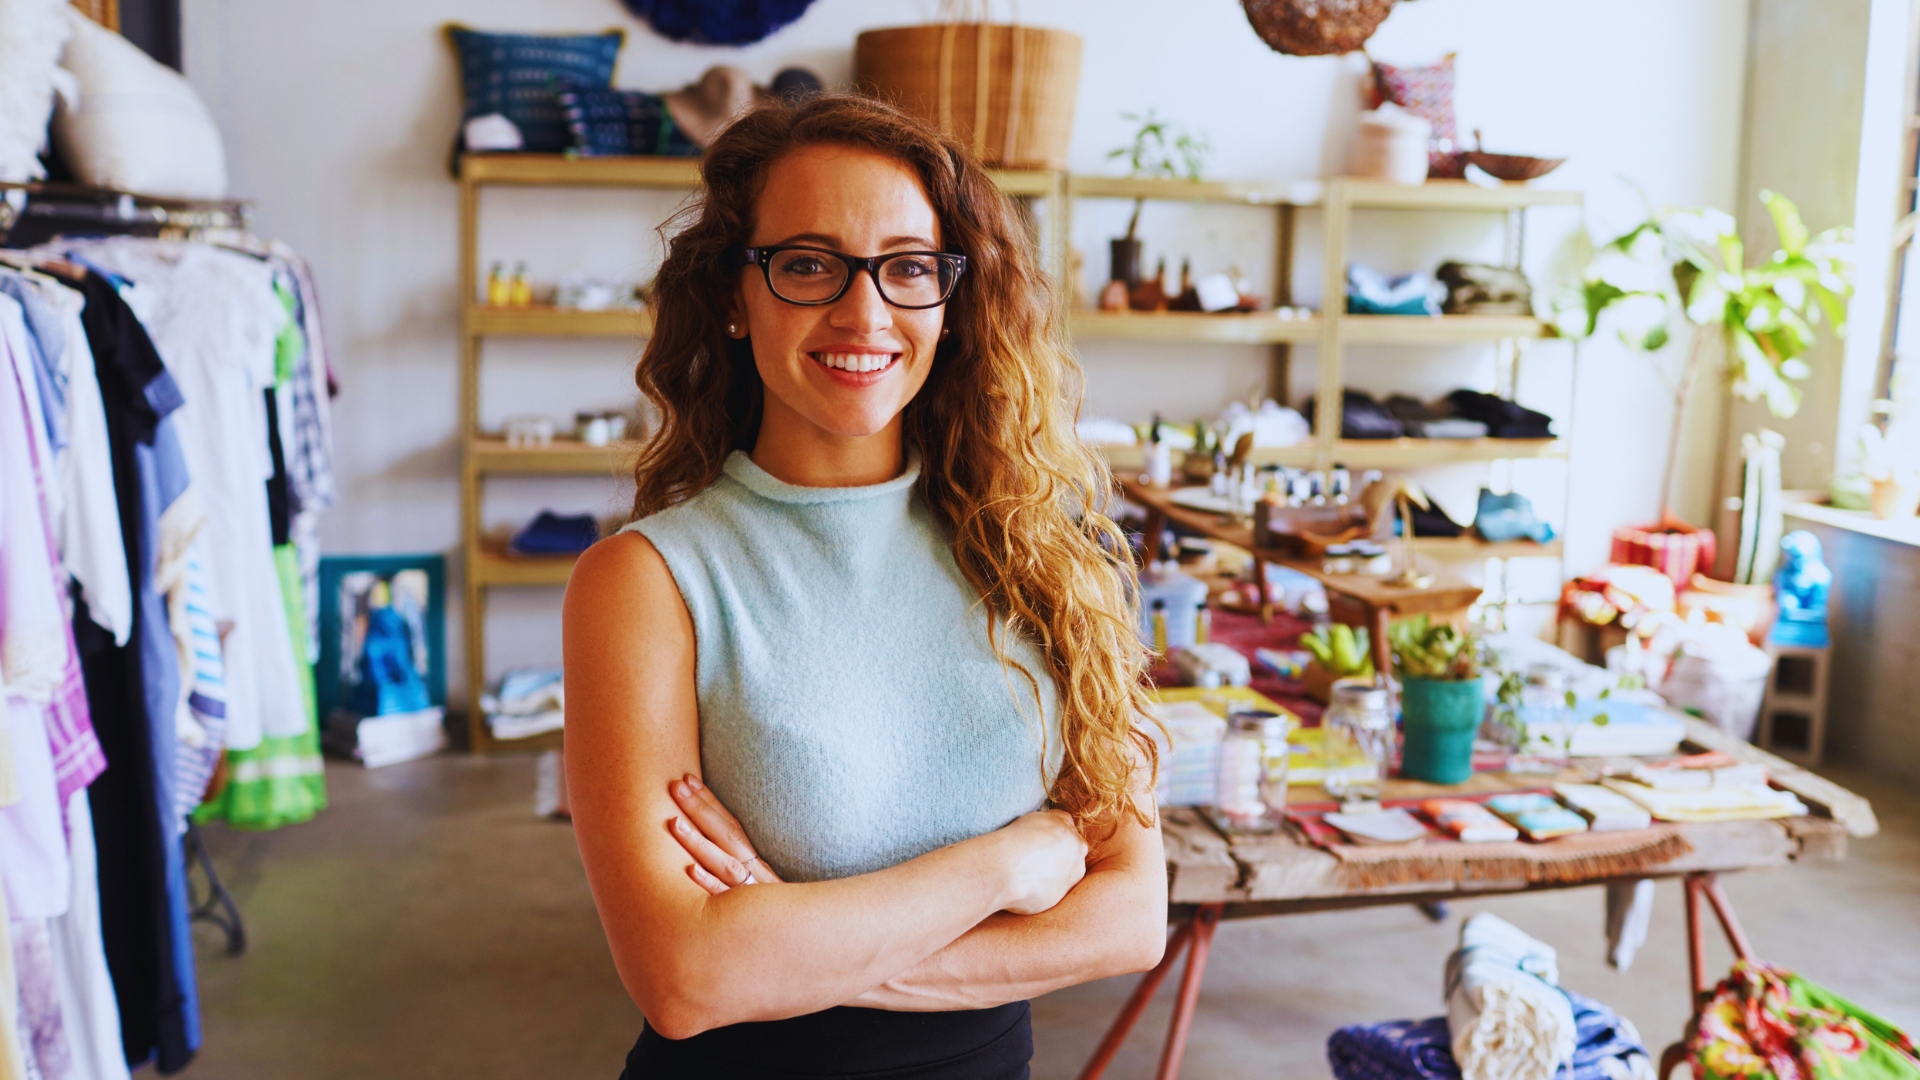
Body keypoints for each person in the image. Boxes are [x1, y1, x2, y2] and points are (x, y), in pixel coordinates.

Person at [563, 92, 1165, 1080]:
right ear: (731, 292)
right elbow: (684, 979)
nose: (864, 311)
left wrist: (786, 944)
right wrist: (1002, 868)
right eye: (806, 264)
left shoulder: (1050, 560)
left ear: (952, 296)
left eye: (909, 267)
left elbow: (1129, 921)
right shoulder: (647, 584)